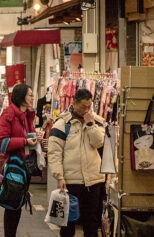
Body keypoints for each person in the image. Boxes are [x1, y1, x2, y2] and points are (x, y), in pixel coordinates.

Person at [47, 88, 106, 237]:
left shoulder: (97, 122)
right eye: (83, 107)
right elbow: (54, 154)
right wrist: (59, 177)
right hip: (71, 181)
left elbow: (99, 143)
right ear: (74, 103)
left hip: (93, 180)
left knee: (91, 221)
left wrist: (91, 124)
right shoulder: (62, 124)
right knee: (67, 222)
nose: (86, 110)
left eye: (89, 106)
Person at [0, 84, 37, 237]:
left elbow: (27, 136)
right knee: (12, 203)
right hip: (12, 166)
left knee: (17, 203)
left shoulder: (28, 115)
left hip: (24, 166)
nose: (32, 97)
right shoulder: (9, 114)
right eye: (30, 95)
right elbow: (1, 141)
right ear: (21, 97)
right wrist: (25, 141)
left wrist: (35, 137)